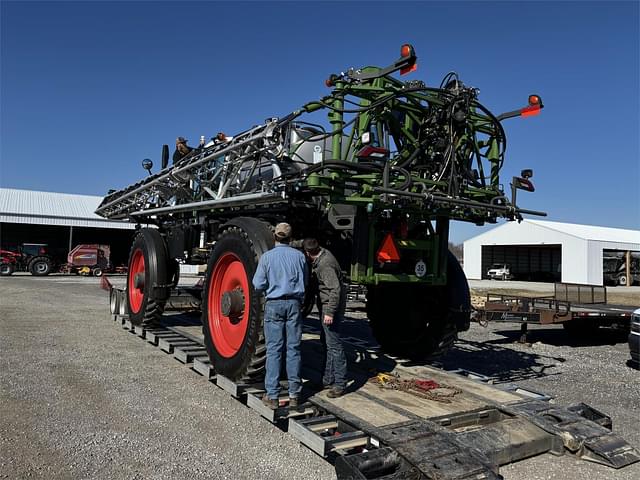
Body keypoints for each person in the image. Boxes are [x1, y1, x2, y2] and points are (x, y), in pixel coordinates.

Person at [252, 223, 308, 409]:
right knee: (294, 349)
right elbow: (305, 280)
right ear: (291, 238)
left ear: (275, 237)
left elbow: (258, 284)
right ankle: (294, 395)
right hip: (294, 304)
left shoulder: (267, 258)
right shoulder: (299, 256)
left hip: (274, 304)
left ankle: (273, 396)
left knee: (274, 350)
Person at [303, 238, 347, 398]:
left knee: (334, 346)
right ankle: (327, 380)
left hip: (331, 308)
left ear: (309, 254)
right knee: (328, 344)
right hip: (327, 306)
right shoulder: (323, 255)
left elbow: (335, 289)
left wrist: (330, 312)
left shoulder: (325, 265)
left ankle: (340, 384)